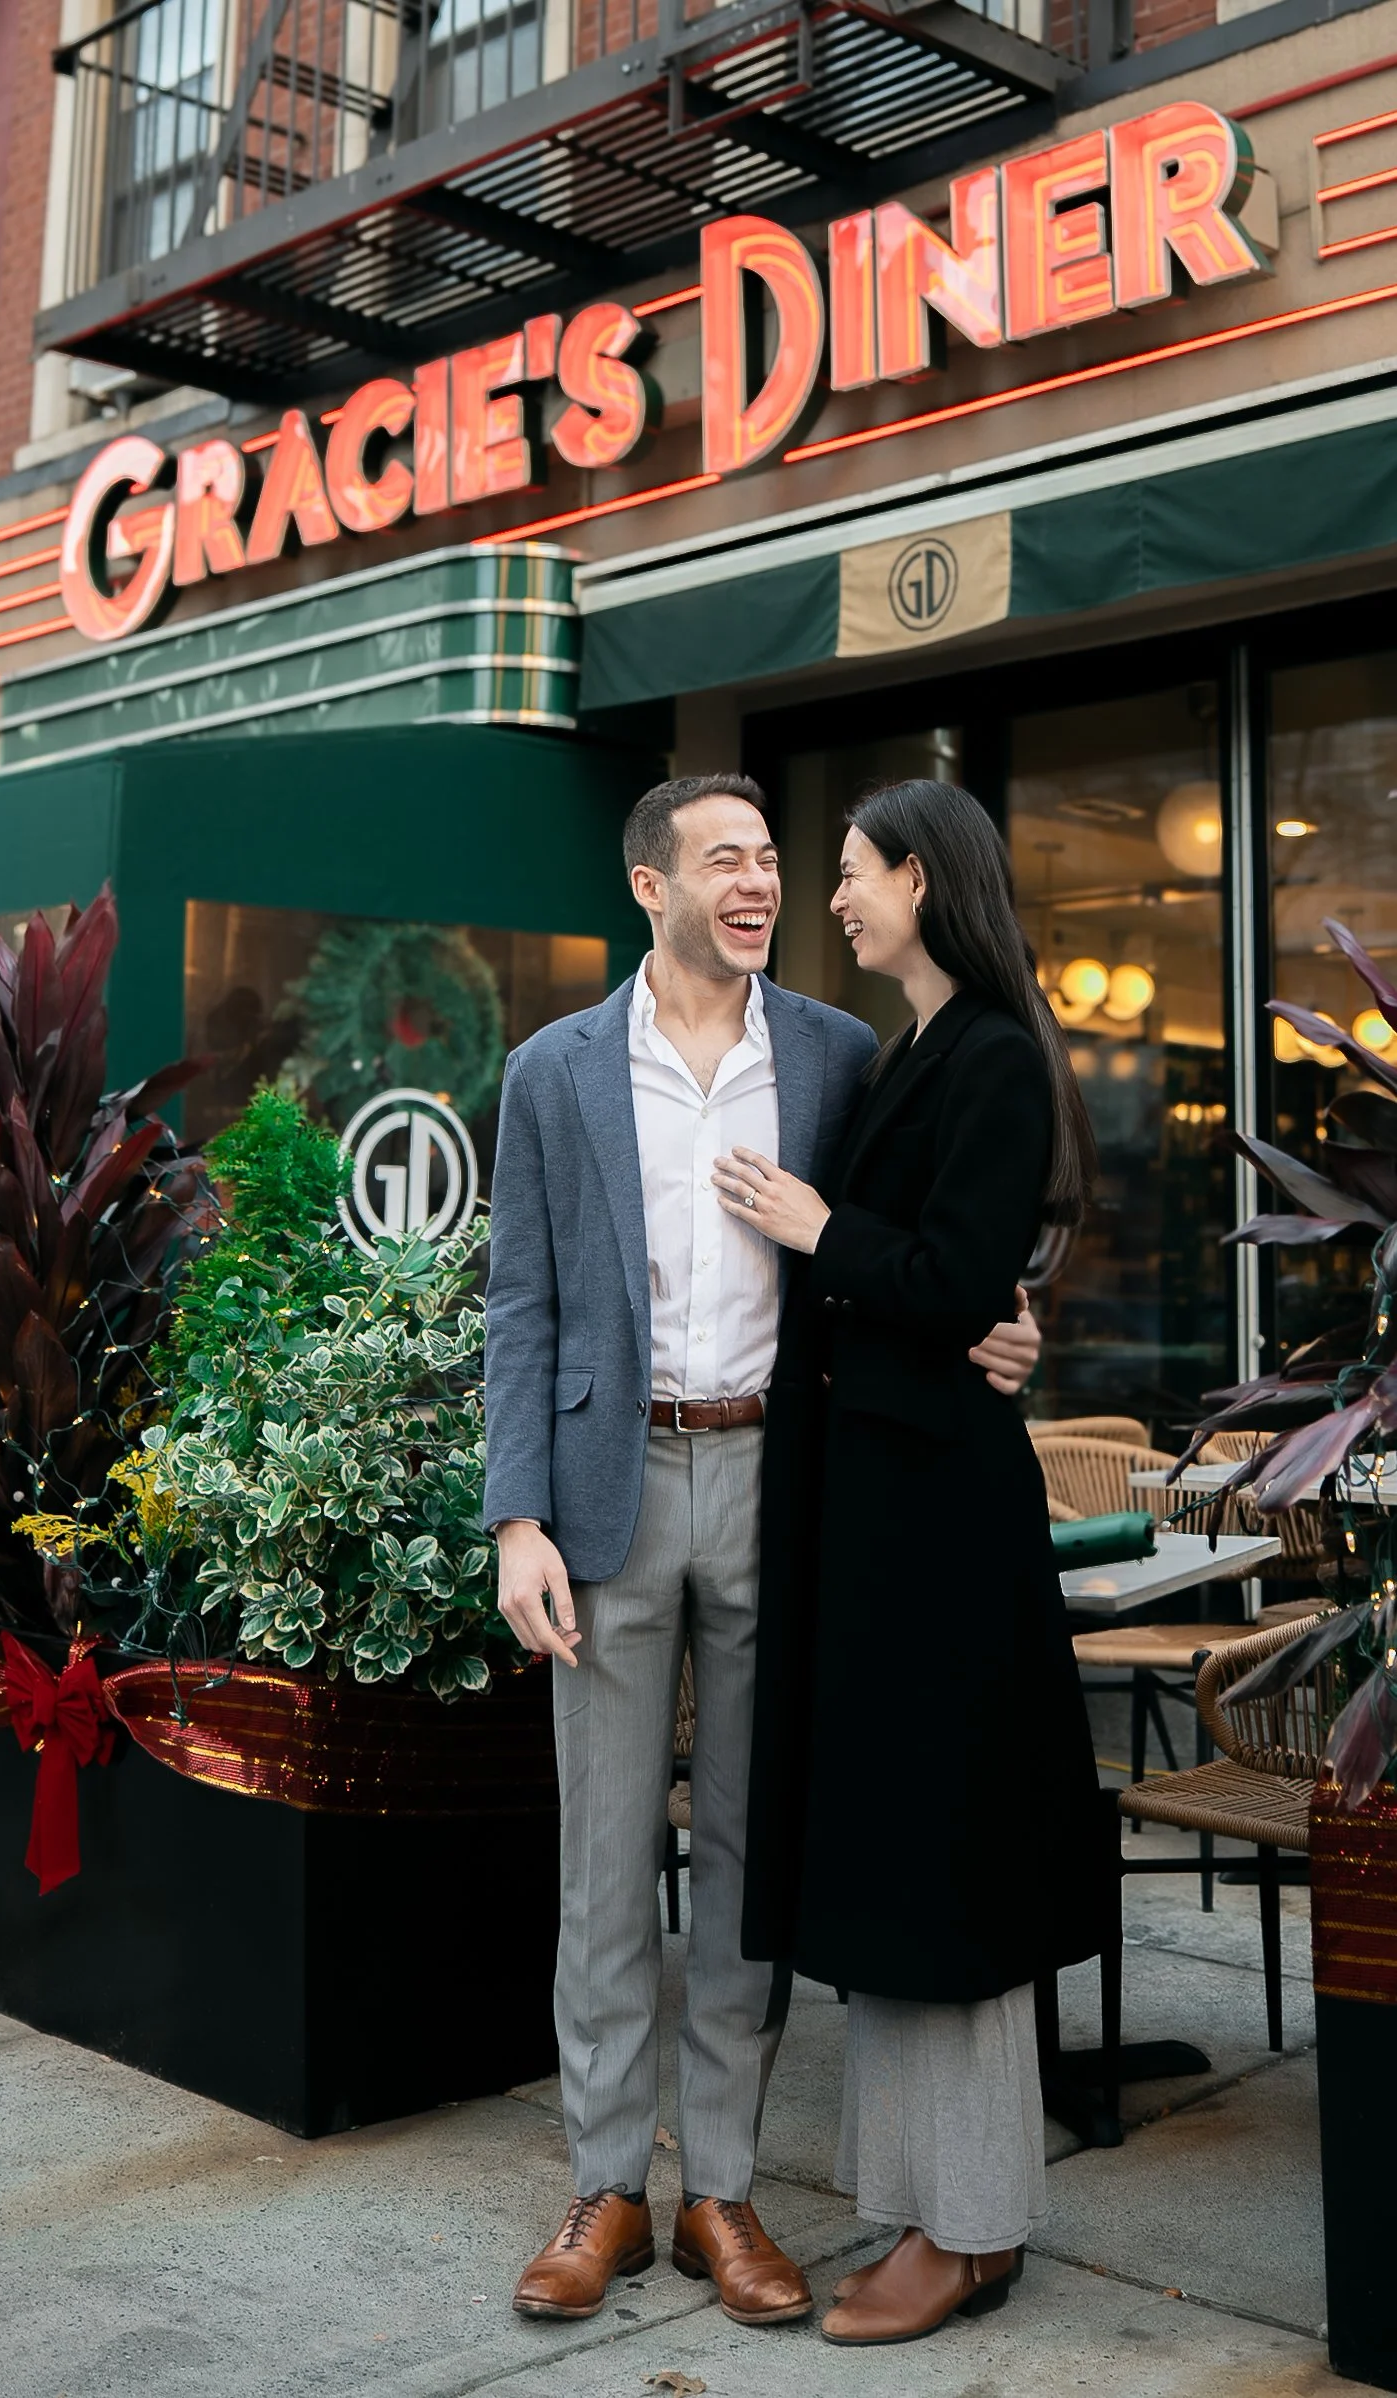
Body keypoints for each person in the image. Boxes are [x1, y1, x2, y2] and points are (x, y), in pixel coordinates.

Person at [483, 773, 1043, 2328]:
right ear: (647, 882)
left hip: (788, 1484)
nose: (760, 883)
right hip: (609, 1490)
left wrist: (1008, 1319)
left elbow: (927, 1229)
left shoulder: (842, 1051)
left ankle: (722, 2190)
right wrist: (516, 1514)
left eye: (776, 862)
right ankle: (604, 2183)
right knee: (602, 1858)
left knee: (750, 1861)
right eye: (724, 858)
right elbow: (518, 1304)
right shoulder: (553, 1068)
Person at [716, 777, 1103, 2349]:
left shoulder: (993, 1060)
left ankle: (969, 2224)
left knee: (943, 1879)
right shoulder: (916, 1052)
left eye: (855, 872)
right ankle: (932, 2209)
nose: (833, 899)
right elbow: (965, 1289)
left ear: (924, 883)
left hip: (934, 1532)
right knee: (897, 1869)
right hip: (880, 1514)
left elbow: (949, 1276)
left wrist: (818, 1227)